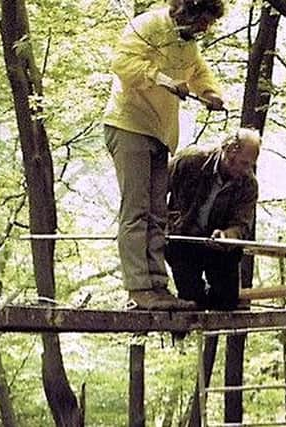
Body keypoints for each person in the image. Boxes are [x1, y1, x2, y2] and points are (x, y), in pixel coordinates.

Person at [103, 0, 226, 310]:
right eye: (203, 20)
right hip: (129, 123)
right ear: (187, 10)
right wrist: (163, 81)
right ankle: (138, 288)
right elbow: (122, 62)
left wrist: (209, 93)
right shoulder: (148, 25)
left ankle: (157, 286)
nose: (205, 28)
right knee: (137, 210)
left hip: (161, 133)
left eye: (209, 23)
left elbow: (198, 71)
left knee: (158, 213)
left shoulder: (188, 44)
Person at [165, 127, 261, 310]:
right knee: (193, 301)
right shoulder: (190, 160)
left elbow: (241, 224)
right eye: (244, 163)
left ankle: (219, 298)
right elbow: (156, 191)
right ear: (230, 151)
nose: (247, 169)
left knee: (226, 303)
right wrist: (161, 227)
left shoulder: (248, 184)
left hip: (219, 249)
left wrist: (227, 235)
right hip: (182, 241)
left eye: (251, 164)